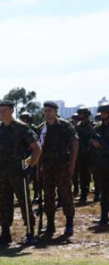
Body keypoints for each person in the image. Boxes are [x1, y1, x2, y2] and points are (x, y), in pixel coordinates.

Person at [0, 99, 41, 245]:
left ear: (11, 110)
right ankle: (5, 234)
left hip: (19, 173)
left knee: (24, 203)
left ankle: (30, 233)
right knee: (3, 203)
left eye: (4, 110)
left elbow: (36, 149)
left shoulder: (22, 128)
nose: (1, 113)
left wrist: (29, 166)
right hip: (2, 173)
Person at [38, 101, 78, 236]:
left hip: (63, 167)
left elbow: (74, 143)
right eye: (45, 111)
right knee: (48, 196)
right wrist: (38, 168)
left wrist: (72, 163)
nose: (47, 113)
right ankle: (50, 224)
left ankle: (69, 225)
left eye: (50, 110)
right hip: (47, 168)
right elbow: (38, 150)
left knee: (66, 195)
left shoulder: (65, 126)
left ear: (56, 111)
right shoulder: (42, 129)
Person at [93, 105, 109, 228]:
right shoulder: (97, 128)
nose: (103, 115)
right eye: (102, 113)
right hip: (101, 163)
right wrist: (94, 143)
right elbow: (91, 140)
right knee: (104, 190)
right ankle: (104, 216)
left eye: (105, 113)